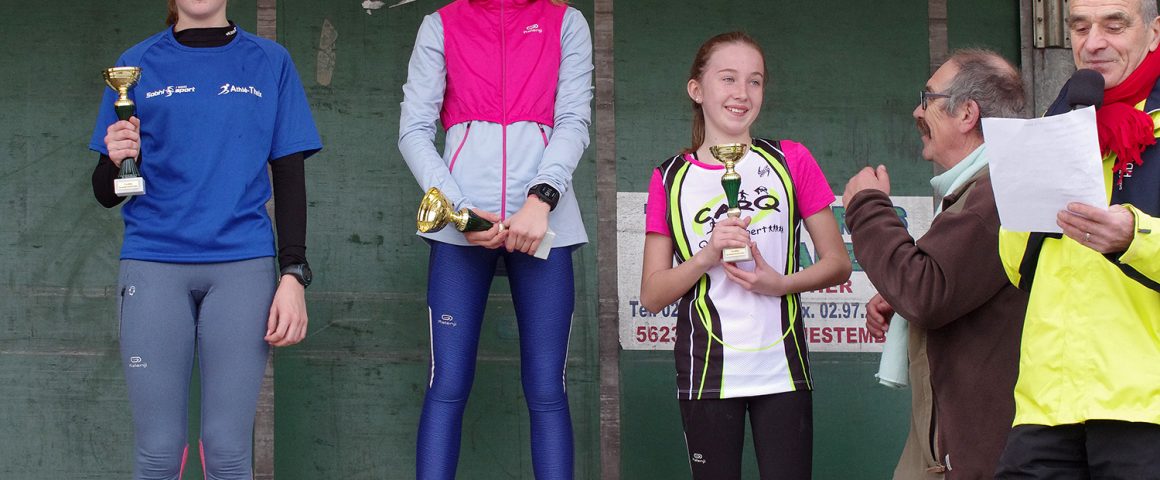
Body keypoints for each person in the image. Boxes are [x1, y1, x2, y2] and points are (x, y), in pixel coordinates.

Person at [89, 0, 321, 478]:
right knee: (158, 451)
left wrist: (293, 274)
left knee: (227, 451)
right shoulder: (136, 64)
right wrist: (117, 159)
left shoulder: (271, 61)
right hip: (153, 265)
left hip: (242, 268)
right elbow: (107, 193)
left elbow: (289, 175)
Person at [638, 32, 852, 480]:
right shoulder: (669, 178)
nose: (742, 93)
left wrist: (781, 284)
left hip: (783, 368)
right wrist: (706, 256)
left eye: (754, 81)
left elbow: (837, 263)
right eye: (728, 78)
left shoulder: (791, 159)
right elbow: (653, 294)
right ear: (696, 90)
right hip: (706, 372)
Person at [397, 0, 592, 478]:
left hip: (545, 220)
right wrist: (461, 212)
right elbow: (413, 130)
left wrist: (541, 198)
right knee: (447, 384)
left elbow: (573, 120)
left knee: (547, 389)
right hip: (462, 224)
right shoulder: (441, 24)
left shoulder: (565, 20)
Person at [842, 49, 1028, 479]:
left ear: (966, 113)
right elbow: (943, 283)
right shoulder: (984, 187)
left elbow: (925, 292)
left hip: (974, 460)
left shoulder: (997, 192)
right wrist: (901, 298)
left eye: (927, 98)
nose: (916, 111)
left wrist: (868, 207)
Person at [994, 0, 1160, 477]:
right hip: (1047, 404)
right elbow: (1017, 267)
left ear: (1154, 33)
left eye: (1114, 25)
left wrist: (1134, 237)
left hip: (1144, 408)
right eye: (1080, 27)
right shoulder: (1056, 125)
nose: (1093, 43)